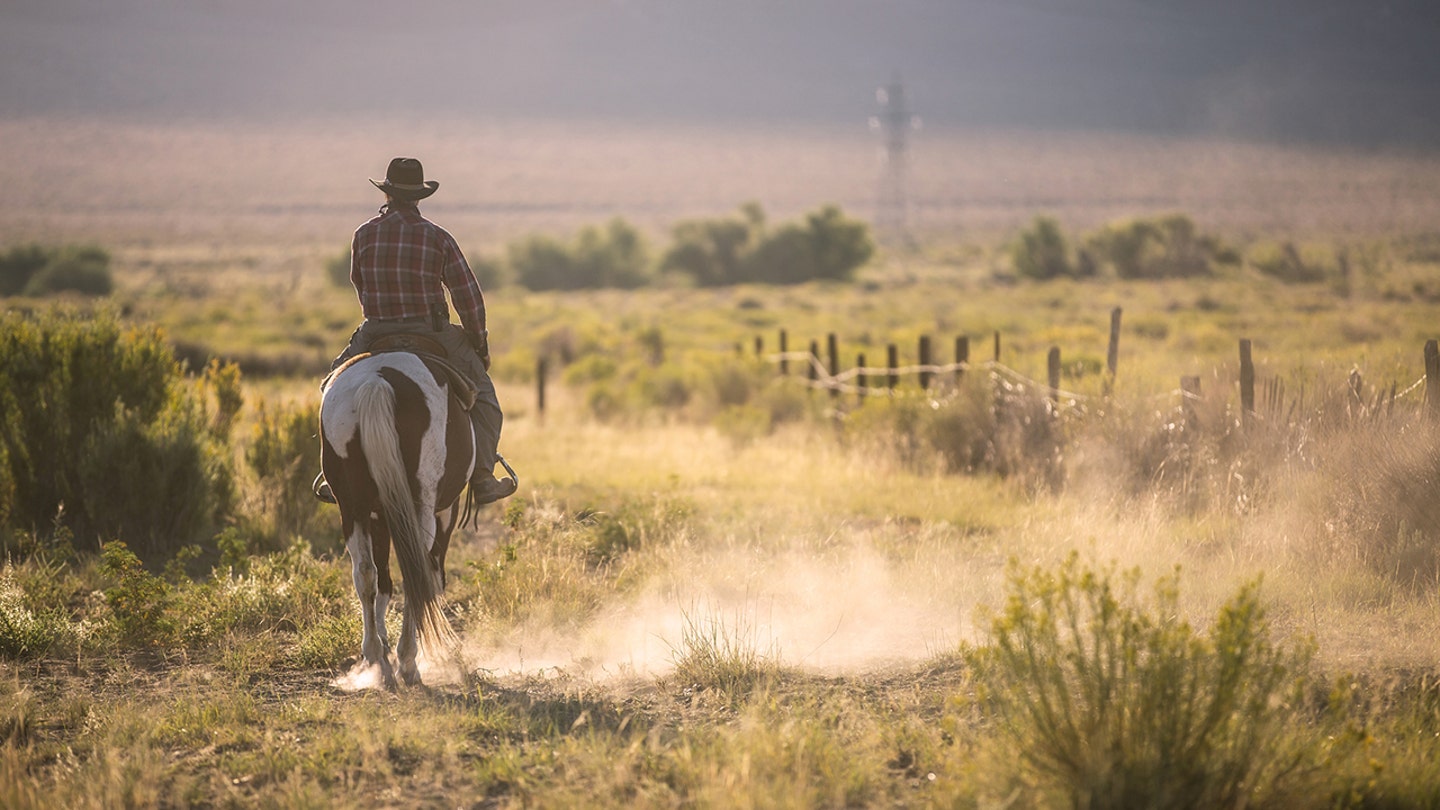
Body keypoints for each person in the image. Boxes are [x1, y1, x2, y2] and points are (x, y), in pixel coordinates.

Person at [314, 157, 515, 505]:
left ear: (388, 193)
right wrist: (478, 344)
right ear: (419, 196)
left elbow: (359, 285)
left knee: (331, 388)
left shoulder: (363, 235)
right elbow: (468, 298)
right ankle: (482, 476)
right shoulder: (438, 238)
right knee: (485, 399)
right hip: (431, 332)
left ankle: (337, 472)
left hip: (375, 331)